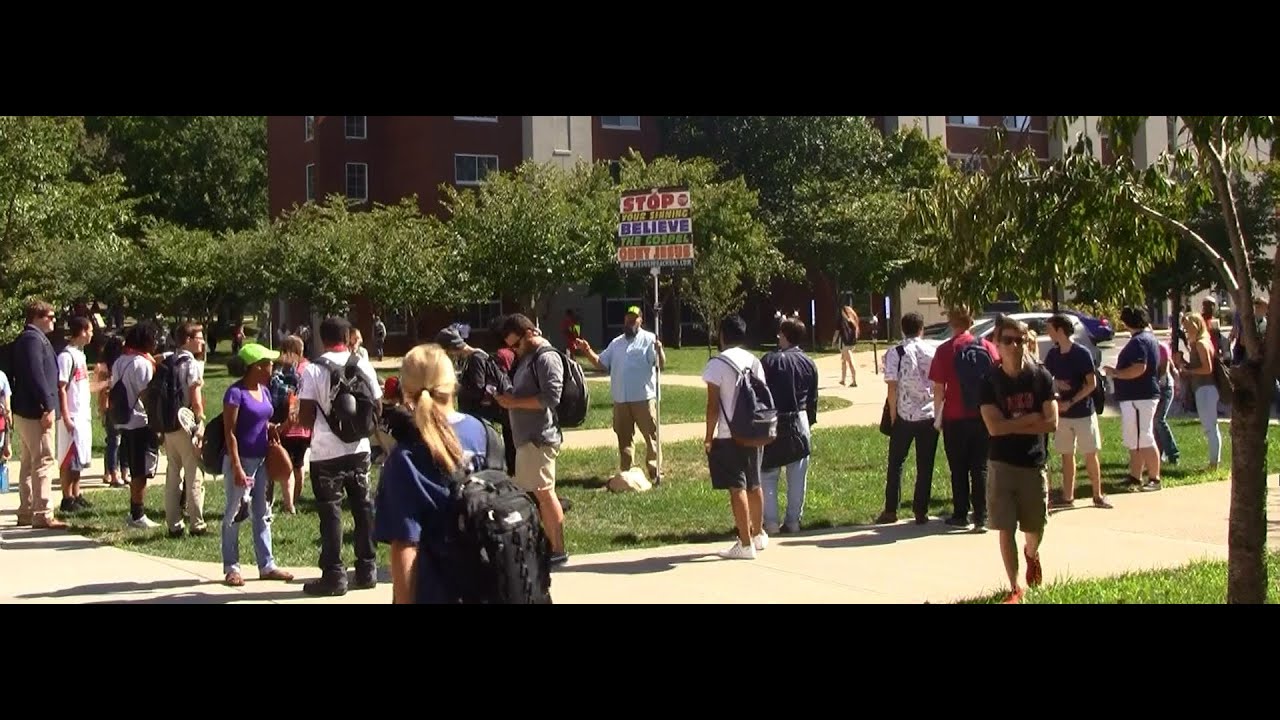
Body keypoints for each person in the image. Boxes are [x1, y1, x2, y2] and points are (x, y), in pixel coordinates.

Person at [374, 344, 501, 604]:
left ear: (405, 391)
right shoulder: (485, 434)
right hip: (489, 584)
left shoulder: (405, 457)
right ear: (452, 383)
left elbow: (405, 545)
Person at [298, 316, 383, 596]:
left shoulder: (312, 370)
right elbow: (378, 406)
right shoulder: (363, 365)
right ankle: (367, 569)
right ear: (348, 337)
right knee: (363, 508)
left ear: (322, 339)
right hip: (359, 450)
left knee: (330, 513)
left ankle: (334, 576)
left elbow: (306, 418)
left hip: (325, 453)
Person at [978, 316, 1058, 604]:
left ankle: (1031, 554)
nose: (1014, 346)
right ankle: (1013, 587)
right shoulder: (989, 381)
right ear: (997, 344)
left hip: (1033, 462)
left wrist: (1013, 422)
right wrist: (1030, 418)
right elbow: (994, 428)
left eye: (1020, 340)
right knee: (1005, 527)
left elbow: (1051, 423)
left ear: (1028, 342)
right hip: (1001, 463)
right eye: (1008, 340)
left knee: (1035, 527)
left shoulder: (1040, 377)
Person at [493, 314, 569, 566]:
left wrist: (513, 402)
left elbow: (550, 397)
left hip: (540, 439)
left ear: (528, 333)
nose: (514, 350)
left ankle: (558, 549)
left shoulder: (547, 357)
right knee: (538, 493)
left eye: (515, 344)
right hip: (527, 440)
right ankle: (546, 545)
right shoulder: (529, 358)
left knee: (545, 494)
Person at [220, 344, 294, 587]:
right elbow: (229, 433)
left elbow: (263, 421)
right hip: (241, 461)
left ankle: (267, 564)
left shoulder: (264, 390)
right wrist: (238, 468)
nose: (272, 367)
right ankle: (232, 567)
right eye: (268, 363)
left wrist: (277, 426)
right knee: (235, 513)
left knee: (263, 514)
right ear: (256, 366)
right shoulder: (235, 393)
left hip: (262, 460)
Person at [575, 305, 666, 483]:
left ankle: (656, 472)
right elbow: (602, 363)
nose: (630, 322)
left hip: (643, 398)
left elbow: (660, 365)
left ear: (641, 321)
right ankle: (626, 473)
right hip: (621, 399)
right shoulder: (616, 343)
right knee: (624, 438)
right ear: (624, 320)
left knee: (652, 437)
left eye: (634, 318)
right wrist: (587, 350)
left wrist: (660, 350)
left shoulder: (649, 340)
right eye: (628, 318)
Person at [928, 306, 1000, 530]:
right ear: (971, 322)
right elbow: (997, 377)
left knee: (958, 467)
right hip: (982, 415)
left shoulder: (945, 350)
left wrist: (937, 416)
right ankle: (982, 514)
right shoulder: (987, 346)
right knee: (980, 466)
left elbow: (938, 388)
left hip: (954, 416)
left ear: (951, 322)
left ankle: (961, 513)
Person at [703, 315, 768, 559]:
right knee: (755, 482)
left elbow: (712, 406)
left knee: (736, 486)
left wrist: (709, 437)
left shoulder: (716, 364)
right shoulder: (754, 361)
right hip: (754, 430)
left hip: (729, 434)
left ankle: (744, 543)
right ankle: (758, 534)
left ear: (722, 335)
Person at [878, 312, 940, 525]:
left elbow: (892, 387)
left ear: (903, 329)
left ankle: (891, 509)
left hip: (904, 413)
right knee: (926, 463)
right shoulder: (932, 351)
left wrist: (893, 415)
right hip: (929, 413)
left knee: (896, 462)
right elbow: (940, 384)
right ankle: (920, 510)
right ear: (921, 329)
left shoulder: (895, 352)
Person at [1044, 314, 1111, 509]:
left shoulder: (1081, 353)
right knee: (1066, 455)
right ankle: (1067, 496)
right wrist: (1056, 384)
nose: (1048, 333)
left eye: (1050, 329)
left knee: (1090, 453)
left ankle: (1097, 495)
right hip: (1063, 414)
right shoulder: (1053, 355)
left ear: (1060, 330)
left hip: (1083, 412)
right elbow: (1047, 379)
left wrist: (1071, 401)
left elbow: (1091, 384)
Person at [760, 318, 818, 534]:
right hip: (800, 417)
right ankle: (793, 521)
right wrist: (809, 422)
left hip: (774, 418)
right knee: (797, 473)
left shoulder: (769, 360)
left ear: (785, 335)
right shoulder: (808, 362)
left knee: (768, 473)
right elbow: (813, 397)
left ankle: (771, 522)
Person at [436, 326, 515, 474]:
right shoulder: (473, 358)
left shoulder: (476, 358)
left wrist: (455, 386)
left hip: (480, 413)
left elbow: (478, 388)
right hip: (478, 413)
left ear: (452, 347)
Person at [1103, 307, 1163, 492]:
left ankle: (1154, 478)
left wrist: (1116, 373)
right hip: (1139, 396)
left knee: (1144, 436)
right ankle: (1135, 476)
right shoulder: (1149, 339)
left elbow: (1139, 368)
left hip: (1139, 396)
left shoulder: (1139, 342)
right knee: (1135, 438)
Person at [112, 321, 162, 528]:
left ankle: (135, 510)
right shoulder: (141, 364)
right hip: (141, 421)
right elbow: (147, 395)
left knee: (134, 467)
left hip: (124, 420)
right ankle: (138, 513)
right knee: (142, 470)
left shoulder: (120, 361)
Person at [162, 322, 208, 537]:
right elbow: (196, 398)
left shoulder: (169, 360)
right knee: (194, 473)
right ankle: (197, 523)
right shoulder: (192, 365)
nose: (203, 341)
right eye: (199, 337)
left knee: (172, 474)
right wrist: (199, 421)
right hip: (186, 424)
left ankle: (173, 524)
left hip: (168, 424)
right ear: (188, 340)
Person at [56, 316, 96, 515]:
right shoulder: (66, 357)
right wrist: (65, 415)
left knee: (80, 457)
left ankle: (77, 494)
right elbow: (61, 387)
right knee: (69, 458)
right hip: (71, 414)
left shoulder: (81, 355)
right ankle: (67, 497)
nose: (91, 334)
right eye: (89, 330)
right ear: (81, 331)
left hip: (82, 414)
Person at [268, 335, 310, 512]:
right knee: (297, 465)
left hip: (286, 426)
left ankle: (287, 501)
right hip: (301, 426)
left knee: (282, 464)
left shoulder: (278, 370)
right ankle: (293, 499)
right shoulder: (307, 369)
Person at [1175, 313, 1222, 471]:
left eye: (1188, 326)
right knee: (1210, 426)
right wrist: (1184, 364)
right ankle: (1213, 462)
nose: (1186, 330)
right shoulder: (1200, 343)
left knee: (1210, 427)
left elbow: (1207, 368)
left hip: (1206, 388)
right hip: (1203, 388)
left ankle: (1214, 463)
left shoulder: (1201, 344)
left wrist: (1188, 371)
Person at [97, 334, 128, 489]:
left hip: (125, 405)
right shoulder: (105, 367)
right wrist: (103, 409)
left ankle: (123, 471)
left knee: (123, 441)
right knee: (114, 440)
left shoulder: (125, 364)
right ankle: (112, 472)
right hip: (112, 407)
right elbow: (102, 391)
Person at [1154, 337, 1180, 465]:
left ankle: (1173, 454)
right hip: (1155, 388)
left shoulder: (1160, 347)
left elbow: (1163, 372)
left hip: (1164, 388)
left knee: (1159, 420)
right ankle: (1158, 454)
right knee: (1154, 423)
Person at [834, 306, 859, 387]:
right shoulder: (853, 321)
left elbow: (837, 333)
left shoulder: (842, 321)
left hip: (845, 343)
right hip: (851, 343)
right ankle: (843, 379)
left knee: (850, 361)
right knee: (844, 360)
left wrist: (834, 341)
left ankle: (854, 380)